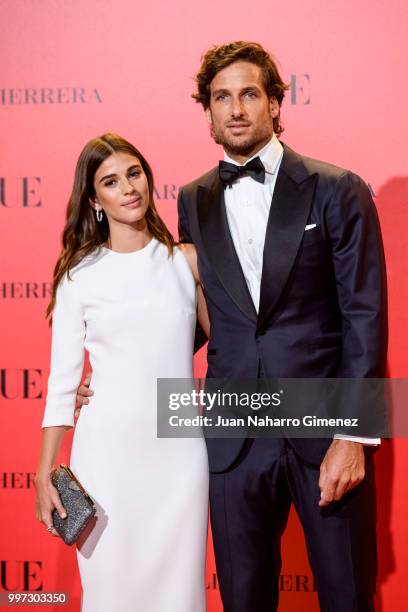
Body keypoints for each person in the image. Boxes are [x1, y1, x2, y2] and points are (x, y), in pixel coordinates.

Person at [77, 42, 387, 612]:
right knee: (243, 600)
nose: (236, 108)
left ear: (274, 102)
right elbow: (194, 312)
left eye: (249, 94)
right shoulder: (193, 199)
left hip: (325, 432)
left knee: (348, 596)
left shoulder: (337, 188)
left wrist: (355, 436)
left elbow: (365, 316)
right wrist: (113, 371)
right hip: (232, 441)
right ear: (208, 111)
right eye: (222, 97)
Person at [35, 133, 209, 612]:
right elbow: (63, 384)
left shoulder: (185, 262)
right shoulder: (78, 276)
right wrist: (43, 474)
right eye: (111, 181)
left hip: (179, 453)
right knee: (111, 594)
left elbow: (234, 345)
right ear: (94, 200)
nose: (128, 187)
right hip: (106, 456)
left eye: (134, 173)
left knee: (181, 595)